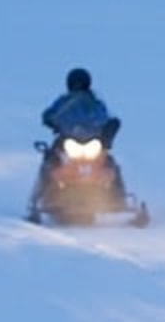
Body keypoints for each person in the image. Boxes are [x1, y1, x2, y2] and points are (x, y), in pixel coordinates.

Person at [31, 67, 126, 214]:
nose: (78, 86)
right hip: (69, 137)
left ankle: (119, 198)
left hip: (90, 138)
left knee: (109, 162)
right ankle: (42, 195)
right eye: (75, 83)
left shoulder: (95, 103)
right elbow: (51, 113)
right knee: (50, 159)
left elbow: (104, 116)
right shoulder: (63, 101)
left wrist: (109, 125)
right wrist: (50, 119)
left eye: (80, 83)